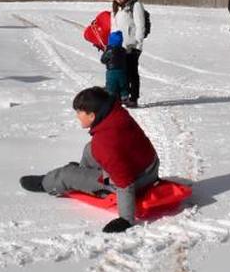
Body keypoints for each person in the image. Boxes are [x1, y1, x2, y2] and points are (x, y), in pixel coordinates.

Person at [20, 87, 160, 233]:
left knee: (66, 174)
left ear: (92, 115)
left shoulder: (104, 143)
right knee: (90, 148)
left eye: (79, 112)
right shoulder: (117, 114)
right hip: (150, 168)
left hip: (136, 183)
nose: (77, 116)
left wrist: (125, 219)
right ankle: (82, 176)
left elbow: (124, 182)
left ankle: (46, 183)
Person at [110, 0, 147, 108]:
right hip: (119, 47)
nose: (119, 0)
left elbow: (140, 26)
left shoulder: (135, 5)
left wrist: (138, 45)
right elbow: (113, 27)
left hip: (132, 46)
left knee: (132, 73)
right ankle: (123, 96)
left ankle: (134, 97)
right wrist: (111, 44)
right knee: (121, 72)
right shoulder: (115, 7)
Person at [101, 31, 130, 102]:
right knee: (123, 85)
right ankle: (125, 97)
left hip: (111, 72)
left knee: (111, 85)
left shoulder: (109, 51)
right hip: (122, 71)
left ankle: (111, 98)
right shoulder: (123, 50)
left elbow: (103, 60)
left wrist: (105, 51)